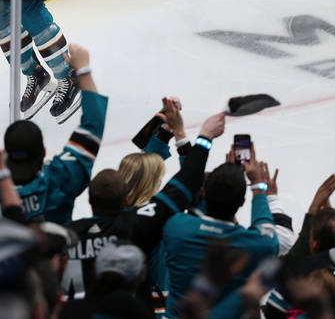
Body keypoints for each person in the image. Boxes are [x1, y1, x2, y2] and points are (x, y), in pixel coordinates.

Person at [62, 110, 225, 299]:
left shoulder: (77, 231)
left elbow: (141, 171)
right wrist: (184, 136)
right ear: (150, 186)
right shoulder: (152, 225)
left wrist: (164, 134)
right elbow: (191, 185)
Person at [0, 44, 105, 224]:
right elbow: (93, 128)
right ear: (43, 152)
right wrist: (84, 70)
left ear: (5, 154)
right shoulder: (59, 180)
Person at [162, 159, 279, 317]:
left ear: (205, 193)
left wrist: (225, 178)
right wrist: (258, 188)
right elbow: (267, 231)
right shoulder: (255, 244)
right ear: (242, 202)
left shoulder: (175, 226)